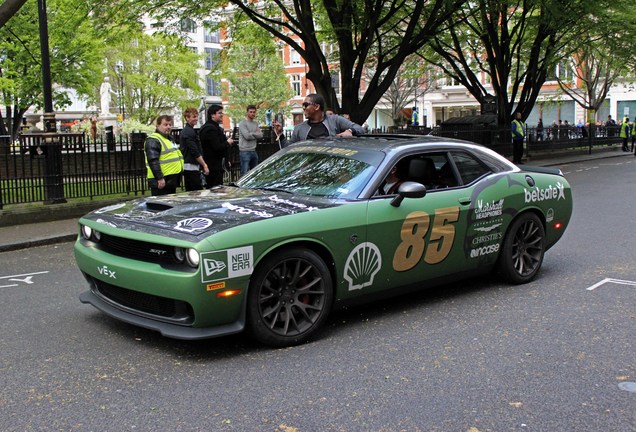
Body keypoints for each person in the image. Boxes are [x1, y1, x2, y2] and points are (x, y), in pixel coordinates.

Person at [273, 93, 365, 147]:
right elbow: (289, 149)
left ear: (317, 106)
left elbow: (360, 129)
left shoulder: (335, 120)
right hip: (308, 171)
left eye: (306, 105)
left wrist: (350, 131)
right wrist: (280, 135)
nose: (303, 108)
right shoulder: (299, 128)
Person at [144, 115, 184, 196]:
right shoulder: (153, 140)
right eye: (165, 125)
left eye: (170, 124)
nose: (168, 127)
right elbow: (153, 161)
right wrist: (160, 178)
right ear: (158, 125)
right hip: (162, 181)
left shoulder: (168, 139)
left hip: (170, 180)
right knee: (161, 206)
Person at [199, 104, 234, 187]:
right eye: (219, 113)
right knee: (215, 189)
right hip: (213, 166)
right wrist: (227, 142)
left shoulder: (214, 127)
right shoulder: (210, 129)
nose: (222, 115)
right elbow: (217, 147)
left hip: (216, 165)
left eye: (222, 113)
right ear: (212, 115)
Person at [179, 107, 209, 191]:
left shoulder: (188, 131)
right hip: (190, 166)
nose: (196, 119)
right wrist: (204, 165)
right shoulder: (188, 132)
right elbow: (194, 151)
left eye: (196, 116)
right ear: (187, 118)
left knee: (192, 191)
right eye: (193, 117)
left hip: (191, 166)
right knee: (195, 192)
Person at [238, 105, 263, 176]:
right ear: (247, 112)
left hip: (253, 150)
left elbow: (261, 135)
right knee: (244, 173)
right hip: (244, 151)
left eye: (254, 112)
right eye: (251, 112)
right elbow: (247, 136)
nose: (252, 114)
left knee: (254, 174)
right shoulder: (242, 123)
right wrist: (255, 134)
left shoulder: (255, 124)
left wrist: (251, 134)